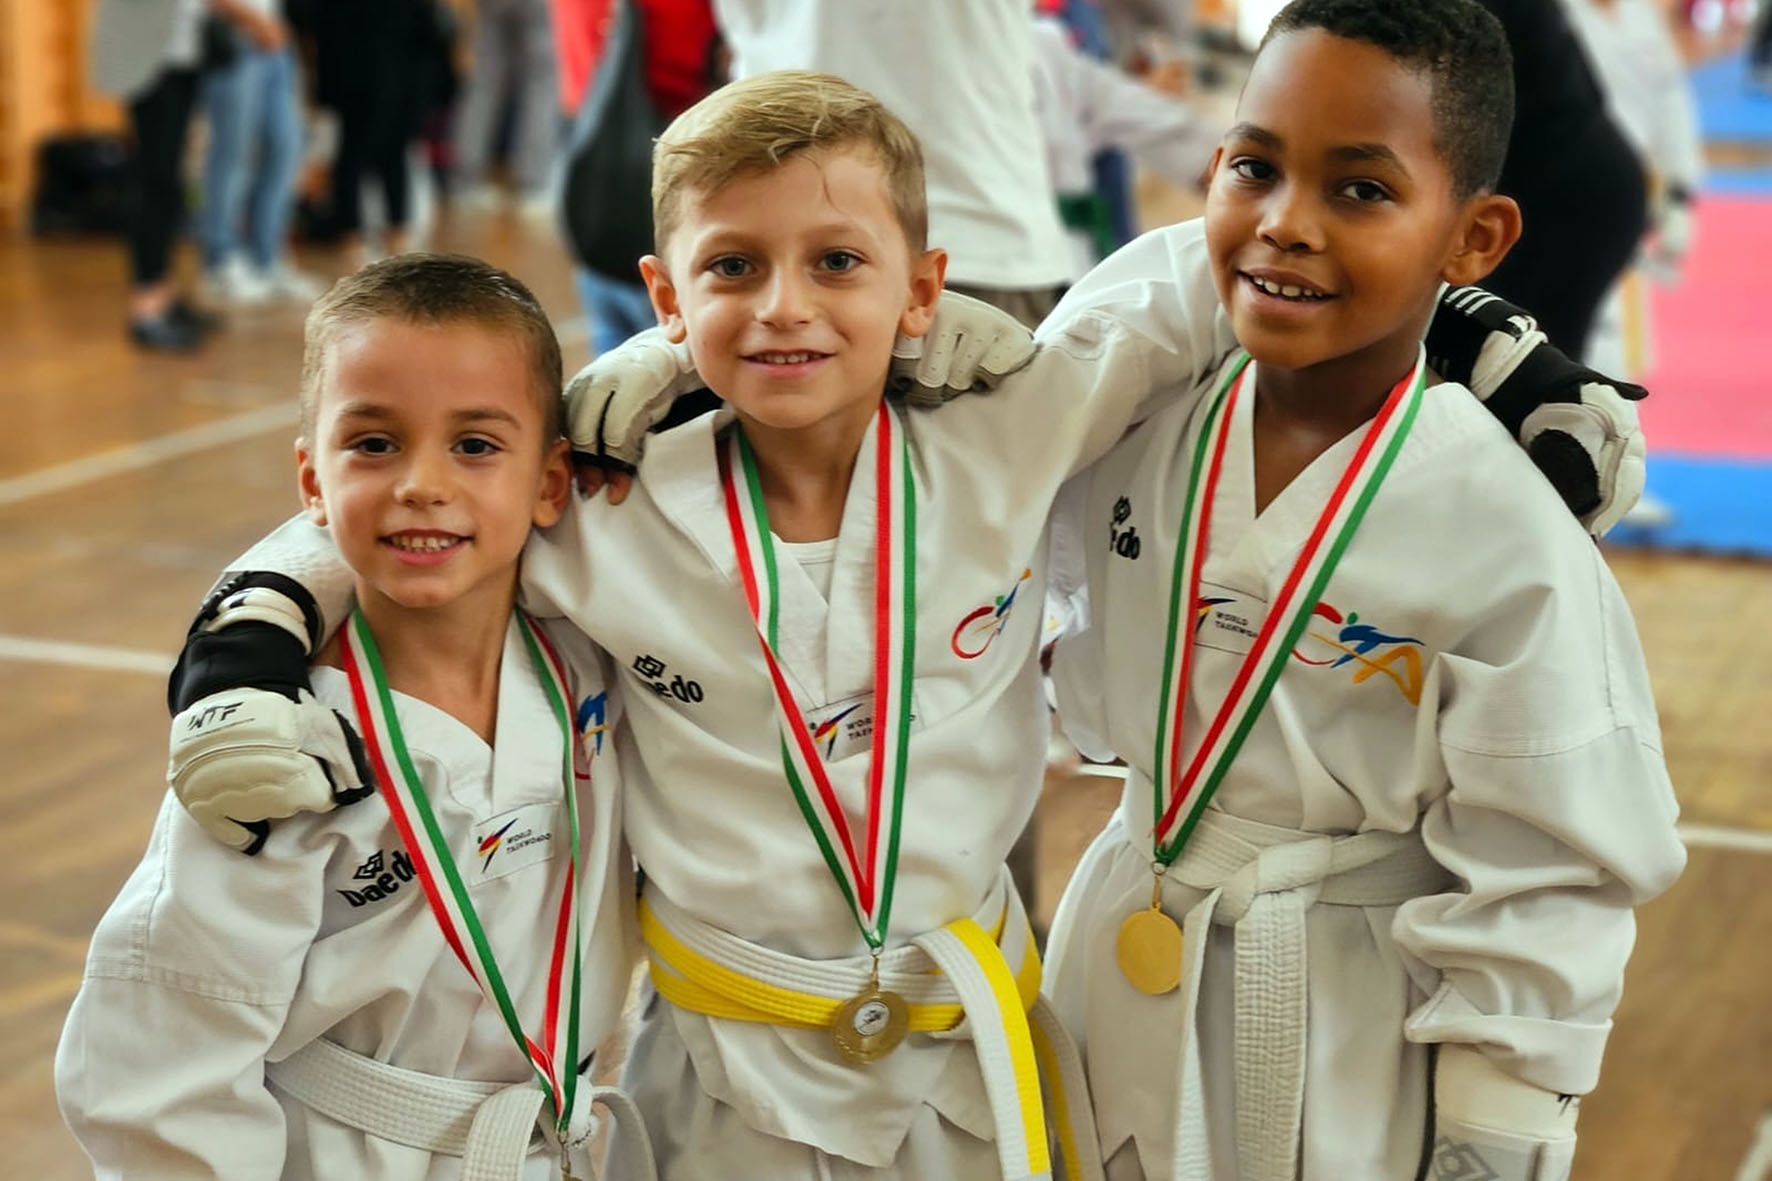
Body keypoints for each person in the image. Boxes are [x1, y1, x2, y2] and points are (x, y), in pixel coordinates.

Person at [153, 67, 1653, 1181]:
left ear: (924, 288)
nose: (784, 309)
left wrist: (1500, 349)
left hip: (971, 1059)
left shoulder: (1014, 428)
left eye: (840, 266)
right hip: (723, 1077)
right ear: (668, 295)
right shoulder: (602, 502)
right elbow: (418, 503)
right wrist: (246, 647)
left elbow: (1229, 262)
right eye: (732, 272)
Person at [1036, 3, 1687, 1179]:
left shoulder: (1503, 526)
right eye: (1253, 166)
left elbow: (1552, 870)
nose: (1284, 224)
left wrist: (1491, 1141)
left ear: (1473, 240)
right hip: (1113, 952)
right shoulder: (1136, 419)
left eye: (1360, 191)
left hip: (1347, 1018)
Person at [55, 256, 642, 1179]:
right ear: (312, 480)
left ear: (551, 479)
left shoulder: (593, 656)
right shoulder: (275, 752)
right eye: (373, 443)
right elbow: (162, 1069)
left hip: (557, 1142)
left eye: (476, 445)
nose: (421, 483)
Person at [90, 0, 221, 351]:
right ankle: (146, 309)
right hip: (149, 59)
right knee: (155, 179)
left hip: (183, 54)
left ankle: (164, 294)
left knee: (170, 182)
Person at [198, 0, 324, 304]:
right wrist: (254, 20)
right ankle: (220, 262)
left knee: (286, 149)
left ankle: (267, 258)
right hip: (235, 39)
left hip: (277, 43)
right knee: (232, 155)